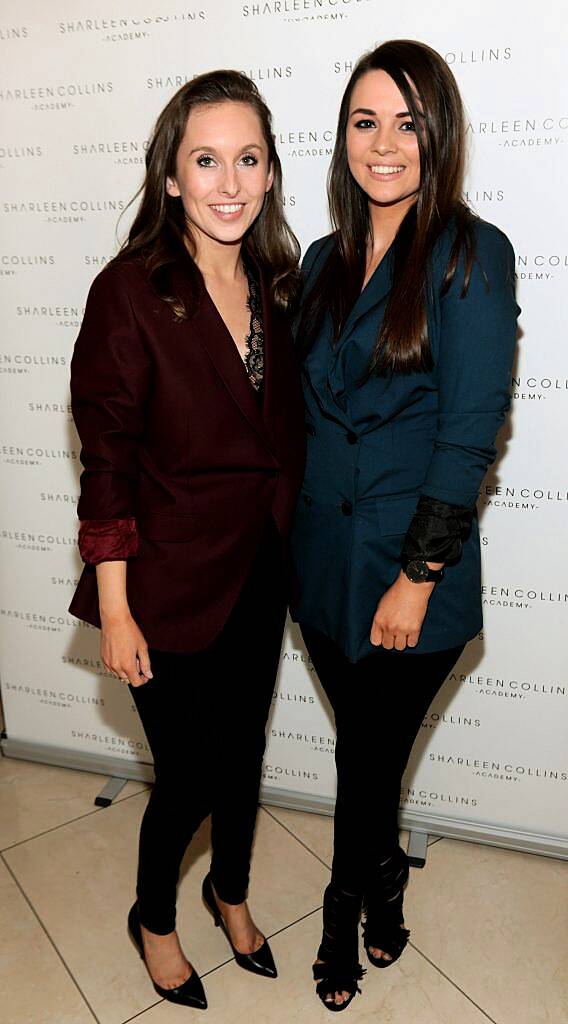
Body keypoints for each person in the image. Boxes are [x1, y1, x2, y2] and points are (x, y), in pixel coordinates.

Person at [69, 70, 305, 1010]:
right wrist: (116, 610)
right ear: (171, 176)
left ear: (273, 171)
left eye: (249, 158)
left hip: (259, 567)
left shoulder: (276, 282)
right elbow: (108, 465)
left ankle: (230, 891)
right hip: (161, 588)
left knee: (244, 750)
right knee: (191, 773)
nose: (230, 182)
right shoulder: (130, 292)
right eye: (206, 160)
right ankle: (153, 917)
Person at [291, 39, 519, 1011]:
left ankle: (343, 913)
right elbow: (300, 417)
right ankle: (387, 881)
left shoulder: (471, 254)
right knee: (370, 756)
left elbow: (468, 436)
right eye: (363, 120)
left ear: (439, 135)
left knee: (359, 758)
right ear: (342, 135)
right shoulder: (318, 259)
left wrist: (415, 578)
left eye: (406, 122)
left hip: (405, 579)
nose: (383, 143)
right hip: (322, 572)